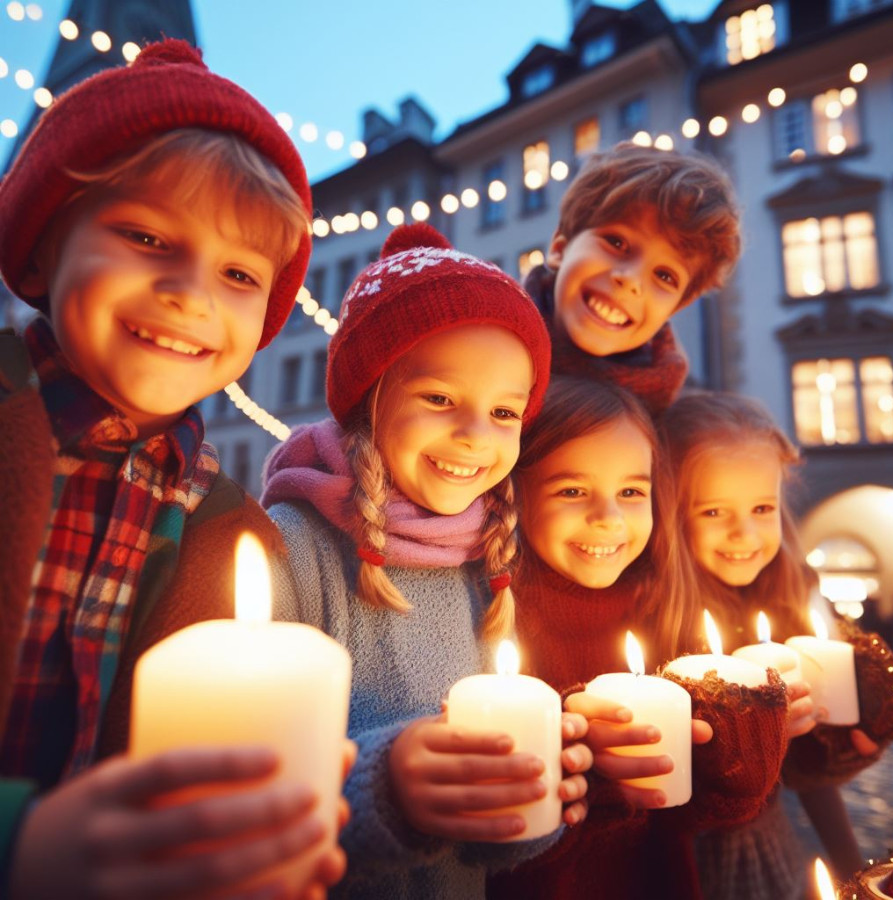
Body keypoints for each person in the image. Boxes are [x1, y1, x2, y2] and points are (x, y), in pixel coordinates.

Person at [0, 38, 349, 898]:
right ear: (41, 252)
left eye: (237, 273)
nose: (192, 292)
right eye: (147, 236)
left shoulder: (226, 522)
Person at [261, 223, 593, 900]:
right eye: (440, 399)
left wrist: (533, 791)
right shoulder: (293, 547)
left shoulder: (493, 557)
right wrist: (385, 788)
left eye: (504, 412)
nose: (475, 436)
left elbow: (492, 844)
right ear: (370, 396)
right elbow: (248, 787)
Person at [487, 376, 792, 900]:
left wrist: (742, 758)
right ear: (517, 490)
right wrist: (582, 768)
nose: (607, 518)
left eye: (631, 492)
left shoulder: (660, 606)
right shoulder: (496, 612)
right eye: (573, 490)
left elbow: (683, 812)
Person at [660, 391, 893, 899]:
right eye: (712, 512)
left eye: (762, 507)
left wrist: (851, 866)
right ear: (671, 511)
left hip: (767, 851)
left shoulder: (787, 595)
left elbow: (809, 779)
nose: (744, 532)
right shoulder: (658, 614)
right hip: (676, 858)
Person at [524, 142, 742, 414]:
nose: (630, 280)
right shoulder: (483, 343)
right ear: (560, 248)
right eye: (616, 243)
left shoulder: (674, 425)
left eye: (665, 276)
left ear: (675, 307)